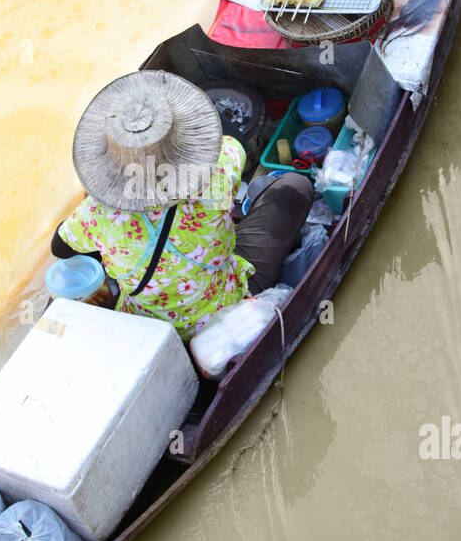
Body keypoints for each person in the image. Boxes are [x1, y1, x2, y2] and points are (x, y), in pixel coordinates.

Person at [52, 70, 312, 341]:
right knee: (295, 187)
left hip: (152, 330)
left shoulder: (96, 213)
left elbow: (59, 247)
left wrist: (105, 226)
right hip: (224, 310)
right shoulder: (217, 170)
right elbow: (232, 137)